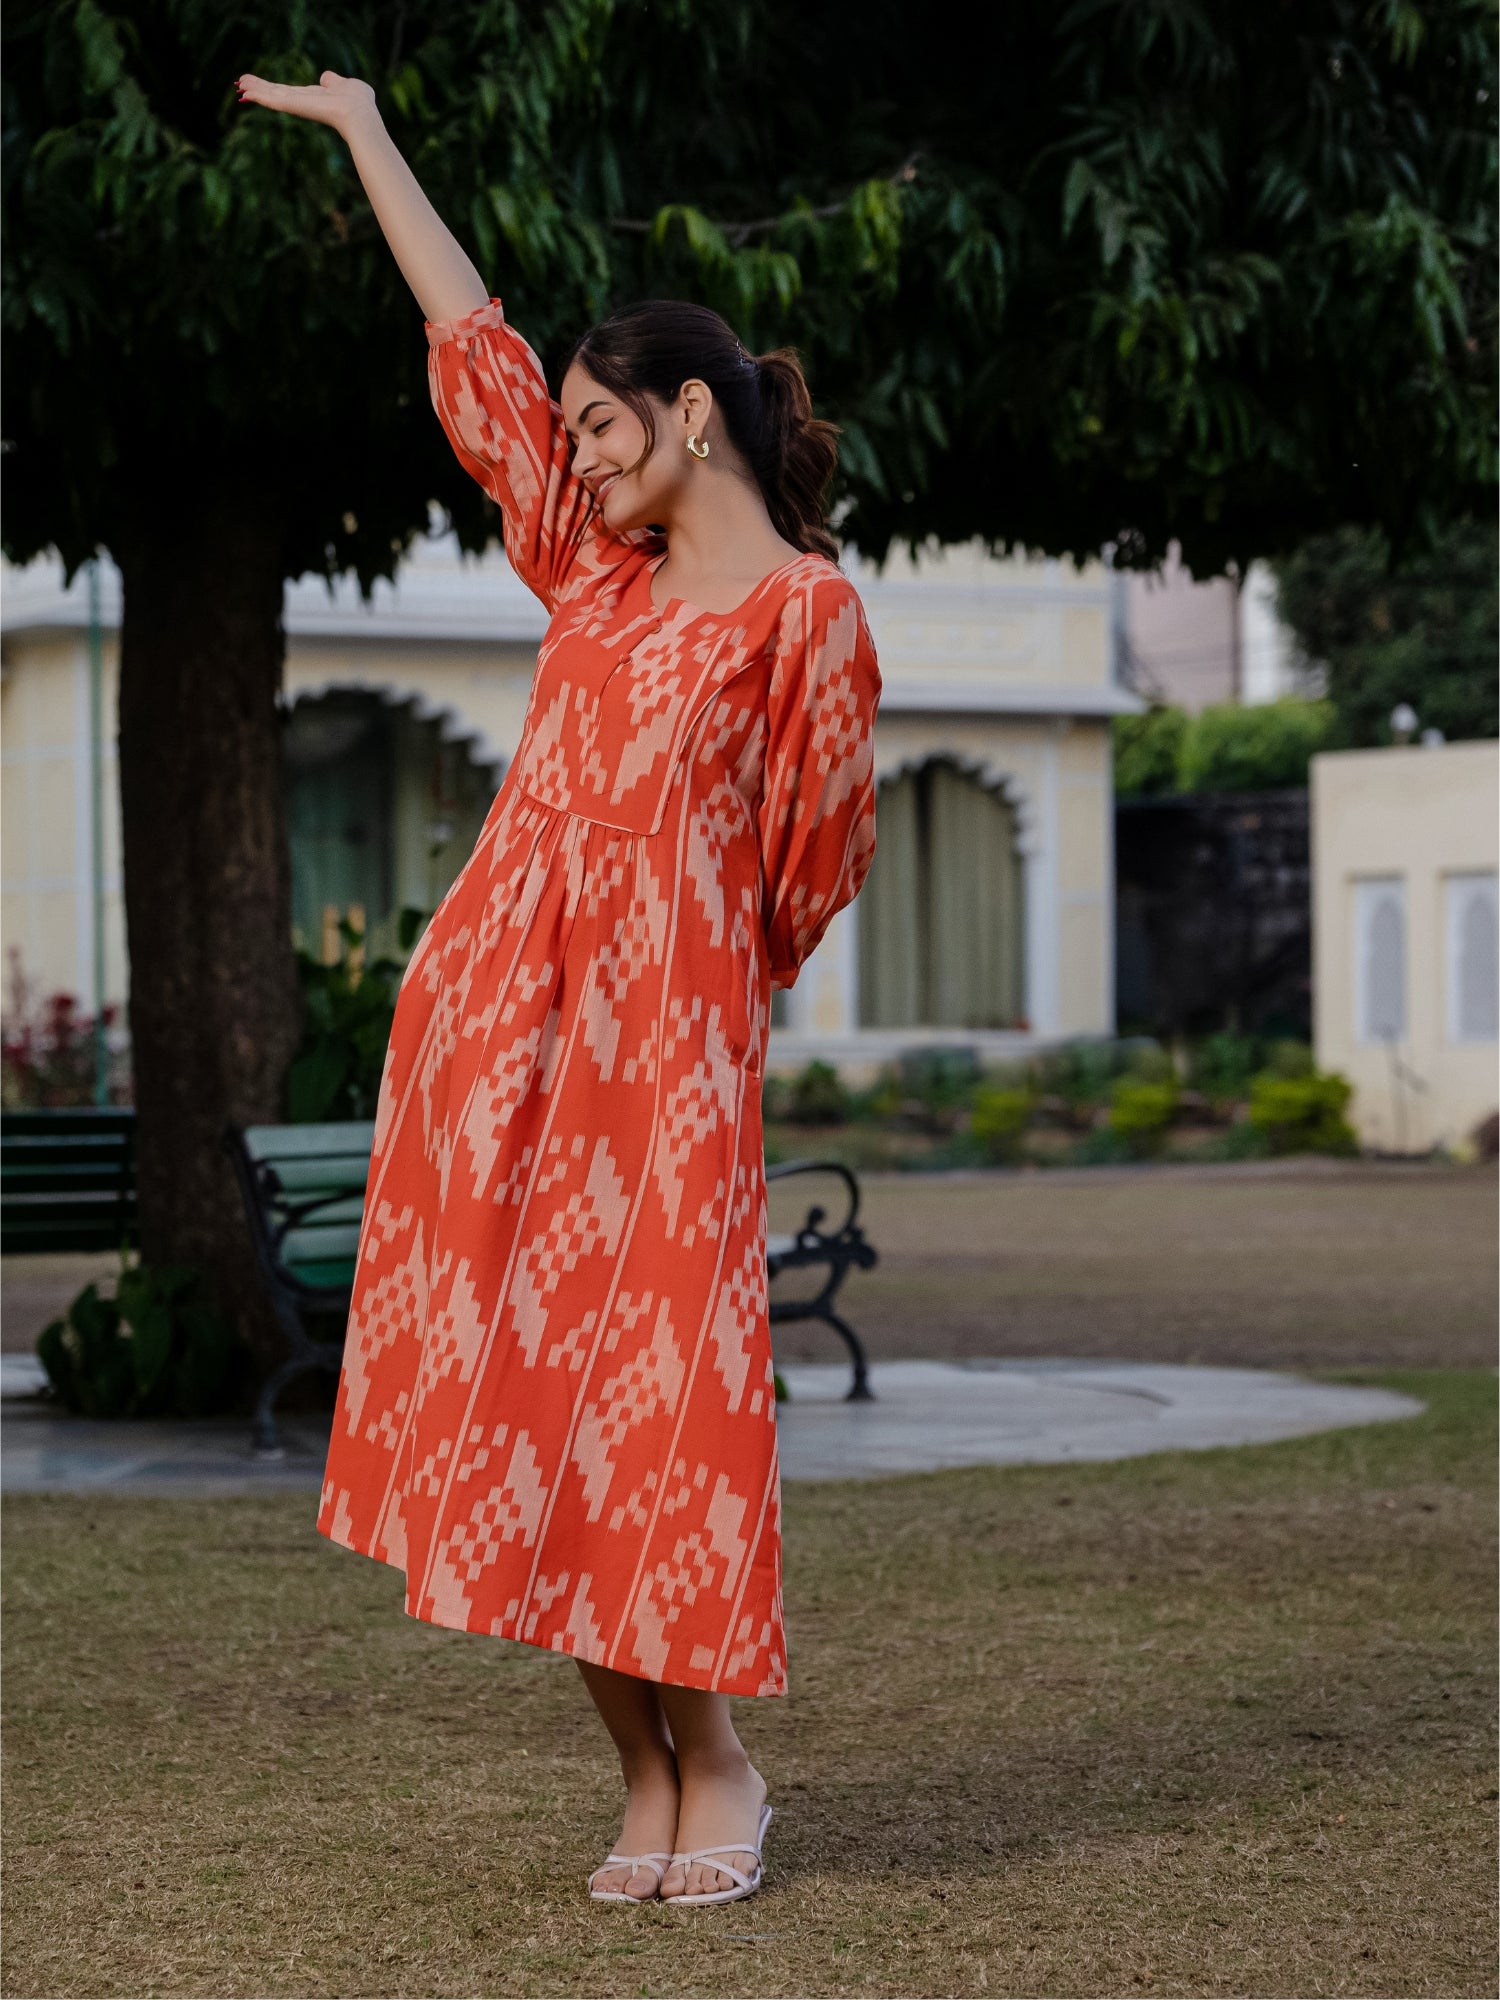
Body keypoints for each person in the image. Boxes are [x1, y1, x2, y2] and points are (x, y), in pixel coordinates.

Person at [234, 66, 882, 1907]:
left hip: (663, 1065)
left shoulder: (807, 619)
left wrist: (687, 992)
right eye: (572, 434)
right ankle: (638, 1766)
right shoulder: (592, 579)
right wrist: (367, 131)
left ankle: (719, 1756)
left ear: (695, 411)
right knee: (518, 1409)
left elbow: (812, 865)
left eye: (605, 426)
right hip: (490, 1040)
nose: (578, 456)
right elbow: (473, 344)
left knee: (657, 1412)